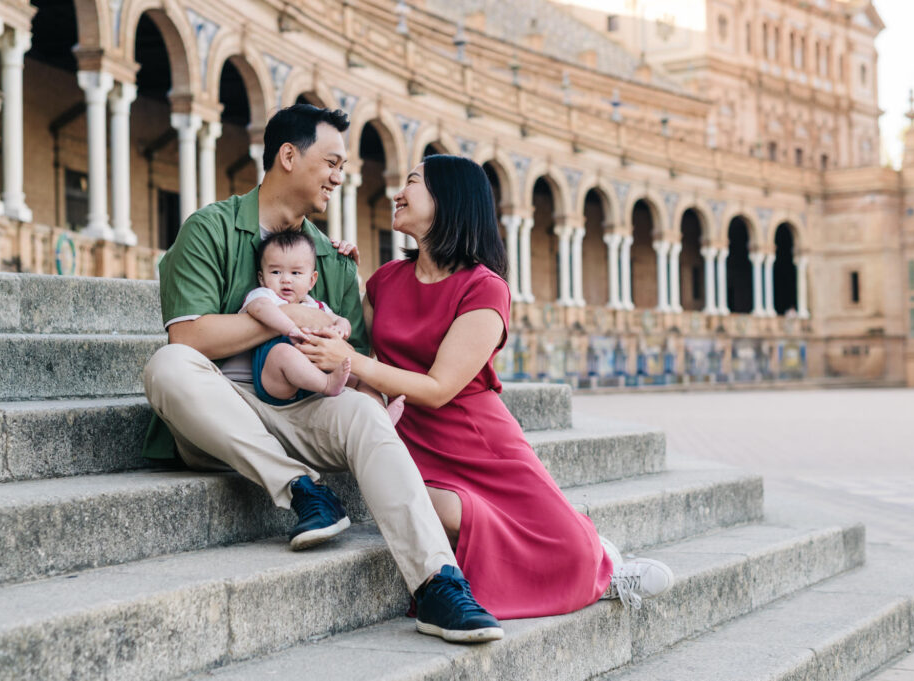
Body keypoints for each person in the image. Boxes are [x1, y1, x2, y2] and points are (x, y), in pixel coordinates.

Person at [140, 104, 503, 643]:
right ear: (288, 155)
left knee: (362, 409)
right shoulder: (209, 229)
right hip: (219, 414)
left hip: (300, 411)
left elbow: (351, 361)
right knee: (167, 365)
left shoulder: (333, 262)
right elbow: (189, 338)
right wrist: (287, 319)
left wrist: (369, 393)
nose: (341, 176)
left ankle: (436, 582)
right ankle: (299, 488)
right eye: (331, 162)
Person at [300, 154, 674, 619]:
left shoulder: (484, 287)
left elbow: (439, 388)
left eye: (413, 182)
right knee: (441, 513)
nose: (398, 192)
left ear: (450, 200)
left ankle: (602, 561)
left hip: (478, 440)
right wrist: (341, 275)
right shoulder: (385, 281)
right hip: (412, 437)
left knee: (571, 551)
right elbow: (358, 351)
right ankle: (584, 548)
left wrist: (352, 360)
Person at [239, 230, 352, 404]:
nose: (286, 279)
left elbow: (339, 319)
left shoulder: (316, 305)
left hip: (312, 382)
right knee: (284, 353)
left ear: (312, 280)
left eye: (296, 273)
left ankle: (379, 409)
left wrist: (341, 327)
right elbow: (260, 308)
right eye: (276, 272)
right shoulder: (265, 296)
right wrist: (290, 328)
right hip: (276, 381)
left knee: (353, 365)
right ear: (262, 278)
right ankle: (328, 384)